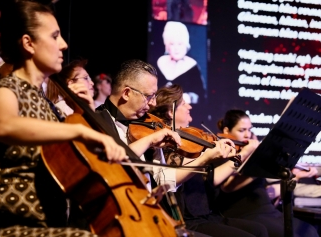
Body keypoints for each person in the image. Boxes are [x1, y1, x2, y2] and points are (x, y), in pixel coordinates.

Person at [0, 1, 127, 236]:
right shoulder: (5, 89)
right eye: (54, 36)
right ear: (28, 43)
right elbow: (5, 125)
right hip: (7, 226)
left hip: (49, 226)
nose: (64, 45)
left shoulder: (47, 106)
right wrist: (81, 131)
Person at [95, 59, 243, 237]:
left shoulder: (149, 126)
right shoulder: (97, 122)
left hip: (150, 216)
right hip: (116, 218)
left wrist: (205, 158)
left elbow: (166, 179)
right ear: (126, 93)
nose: (152, 104)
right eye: (148, 96)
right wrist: (149, 141)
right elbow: (111, 166)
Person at [149, 84, 268, 237]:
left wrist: (240, 155)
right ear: (171, 112)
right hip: (189, 219)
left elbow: (209, 180)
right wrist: (236, 155)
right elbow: (175, 178)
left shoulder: (191, 142)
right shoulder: (166, 147)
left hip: (207, 214)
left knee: (259, 229)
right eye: (184, 104)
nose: (190, 106)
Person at [216, 109, 319, 237]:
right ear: (226, 131)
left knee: (309, 231)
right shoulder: (225, 154)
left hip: (268, 211)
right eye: (242, 130)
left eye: (249, 129)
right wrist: (257, 163)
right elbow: (227, 187)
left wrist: (296, 177)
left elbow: (267, 193)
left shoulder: (251, 155)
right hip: (245, 215)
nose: (248, 135)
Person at [156, 21, 206, 127]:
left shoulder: (192, 67)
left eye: (179, 44)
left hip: (186, 121)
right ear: (167, 46)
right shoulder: (159, 63)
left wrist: (185, 98)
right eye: (172, 44)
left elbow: (201, 96)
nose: (176, 48)